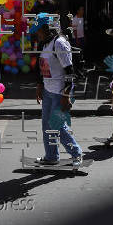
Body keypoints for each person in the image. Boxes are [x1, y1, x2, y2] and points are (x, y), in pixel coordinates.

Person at [32, 13, 83, 166]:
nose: (36, 33)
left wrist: (66, 96)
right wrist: (40, 86)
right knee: (47, 125)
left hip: (61, 92)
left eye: (38, 30)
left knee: (58, 126)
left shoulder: (59, 43)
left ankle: (77, 154)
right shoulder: (45, 44)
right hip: (48, 91)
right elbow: (42, 68)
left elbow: (69, 72)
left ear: (47, 28)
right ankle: (52, 156)